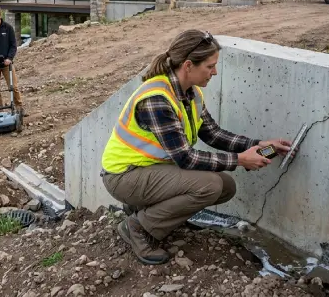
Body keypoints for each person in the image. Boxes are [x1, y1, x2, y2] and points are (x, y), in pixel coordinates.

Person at [100, 29, 292, 266]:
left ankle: (152, 215)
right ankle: (137, 227)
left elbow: (213, 134)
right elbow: (185, 159)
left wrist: (258, 145)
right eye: (210, 66)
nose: (215, 72)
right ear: (189, 65)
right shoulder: (157, 99)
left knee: (226, 187)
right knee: (210, 186)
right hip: (124, 176)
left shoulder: (190, 93)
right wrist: (240, 160)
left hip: (149, 172)